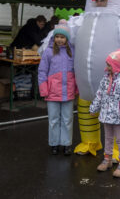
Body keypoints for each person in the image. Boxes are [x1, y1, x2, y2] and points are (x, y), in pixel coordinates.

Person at [89, 49, 120, 178]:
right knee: (108, 138)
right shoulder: (106, 78)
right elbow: (99, 94)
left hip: (119, 116)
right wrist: (94, 108)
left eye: (109, 65)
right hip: (106, 114)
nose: (107, 67)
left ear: (116, 65)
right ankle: (107, 159)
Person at [38, 19, 76, 156]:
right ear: (54, 38)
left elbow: (76, 71)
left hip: (68, 92)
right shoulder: (48, 52)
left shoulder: (72, 52)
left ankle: (66, 144)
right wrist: (44, 89)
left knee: (67, 120)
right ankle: (54, 143)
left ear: (67, 38)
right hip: (52, 92)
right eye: (57, 37)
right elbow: (42, 71)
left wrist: (77, 88)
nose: (59, 40)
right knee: (53, 119)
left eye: (62, 37)